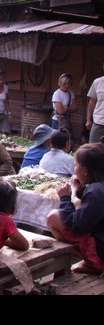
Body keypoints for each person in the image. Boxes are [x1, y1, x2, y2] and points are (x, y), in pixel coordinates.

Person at [46, 143, 104, 274]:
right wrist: (78, 191)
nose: (74, 169)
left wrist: (65, 198)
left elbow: (76, 225)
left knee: (53, 217)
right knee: (77, 202)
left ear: (85, 171)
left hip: (101, 253)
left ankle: (92, 263)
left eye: (76, 166)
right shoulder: (97, 187)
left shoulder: (95, 191)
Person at [51, 73, 77, 146]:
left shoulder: (70, 93)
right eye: (65, 84)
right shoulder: (57, 94)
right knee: (56, 142)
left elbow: (75, 108)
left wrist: (66, 109)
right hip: (57, 121)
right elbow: (60, 111)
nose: (67, 86)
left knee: (69, 141)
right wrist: (68, 109)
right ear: (60, 83)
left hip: (66, 120)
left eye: (68, 84)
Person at [86, 72, 104, 143]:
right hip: (99, 121)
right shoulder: (97, 82)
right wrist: (88, 119)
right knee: (93, 147)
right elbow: (92, 101)